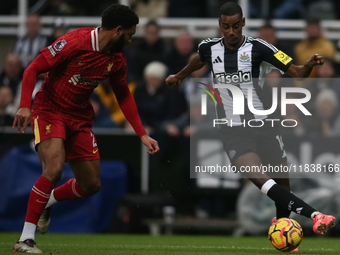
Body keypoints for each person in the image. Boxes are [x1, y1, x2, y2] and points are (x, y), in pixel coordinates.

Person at [166, 1, 336, 242]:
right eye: (226, 27)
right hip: (232, 129)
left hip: (264, 124)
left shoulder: (259, 48)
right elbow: (198, 59)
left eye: (236, 25)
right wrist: (180, 76)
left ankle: (284, 237)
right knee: (260, 179)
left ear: (243, 22)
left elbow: (296, 73)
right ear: (220, 25)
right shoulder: (209, 48)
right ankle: (316, 215)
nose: (231, 31)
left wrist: (308, 66)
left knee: (282, 187)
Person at [12, 4, 159, 253]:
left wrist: (141, 133)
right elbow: (32, 69)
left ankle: (48, 200)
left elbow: (123, 95)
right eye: (130, 34)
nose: (131, 40)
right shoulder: (75, 41)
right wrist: (25, 106)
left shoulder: (116, 58)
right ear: (118, 30)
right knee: (54, 167)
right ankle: (26, 239)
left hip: (79, 117)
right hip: (50, 110)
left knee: (91, 185)